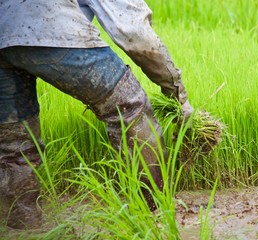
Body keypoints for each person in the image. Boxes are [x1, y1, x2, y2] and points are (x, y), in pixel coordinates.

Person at [0, 0, 193, 230]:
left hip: (3, 41)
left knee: (15, 147)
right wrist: (177, 94)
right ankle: (153, 213)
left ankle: (23, 228)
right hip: (52, 31)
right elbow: (135, 35)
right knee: (131, 109)